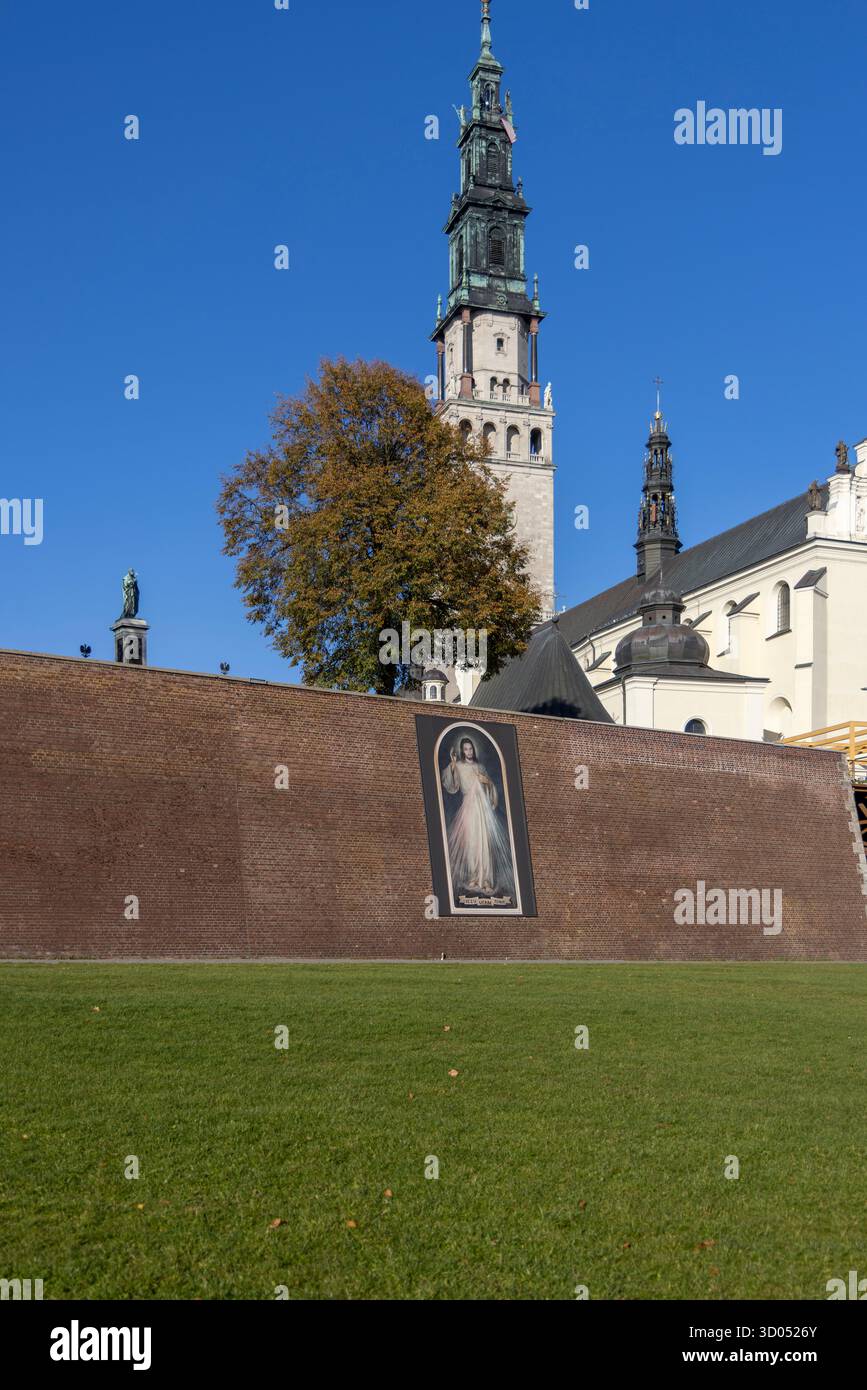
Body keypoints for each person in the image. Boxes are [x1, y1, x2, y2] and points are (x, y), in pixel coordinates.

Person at [441, 735, 515, 897]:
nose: (469, 751)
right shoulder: (458, 766)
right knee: (472, 843)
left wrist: (487, 782)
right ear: (462, 750)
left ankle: (486, 880)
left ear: (474, 750)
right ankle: (474, 877)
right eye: (466, 748)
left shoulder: (480, 767)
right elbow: (451, 785)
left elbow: (490, 789)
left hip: (483, 810)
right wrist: (453, 764)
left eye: (471, 748)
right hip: (469, 808)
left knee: (485, 844)